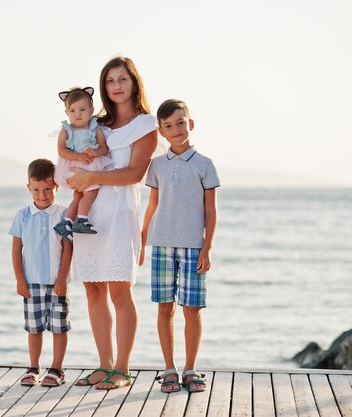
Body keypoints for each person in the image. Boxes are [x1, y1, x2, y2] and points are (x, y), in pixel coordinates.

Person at [67, 56, 158, 390]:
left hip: (119, 211)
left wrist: (93, 174)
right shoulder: (96, 125)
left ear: (133, 82)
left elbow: (135, 173)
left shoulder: (147, 125)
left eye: (122, 79)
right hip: (89, 212)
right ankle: (103, 365)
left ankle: (122, 368)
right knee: (93, 289)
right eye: (110, 81)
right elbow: (70, 151)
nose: (116, 86)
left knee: (120, 290)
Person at [139, 99, 219, 393]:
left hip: (192, 248)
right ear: (161, 131)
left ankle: (190, 368)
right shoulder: (157, 165)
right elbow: (152, 205)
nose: (175, 130)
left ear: (191, 124)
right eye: (168, 126)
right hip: (161, 245)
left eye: (180, 123)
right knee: (164, 308)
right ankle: (169, 368)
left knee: (192, 309)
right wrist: (143, 237)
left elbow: (211, 211)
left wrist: (207, 247)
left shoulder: (204, 165)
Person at [9, 158, 73, 387]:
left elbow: (68, 248)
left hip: (57, 282)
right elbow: (17, 249)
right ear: (29, 187)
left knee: (59, 326)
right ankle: (33, 367)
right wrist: (20, 279)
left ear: (56, 186)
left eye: (47, 189)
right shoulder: (23, 215)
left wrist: (62, 278)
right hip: (31, 282)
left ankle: (57, 369)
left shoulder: (64, 214)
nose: (42, 195)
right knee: (34, 328)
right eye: (36, 189)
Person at [53, 87, 112, 239]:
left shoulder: (95, 128)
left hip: (90, 163)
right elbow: (61, 150)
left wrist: (96, 152)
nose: (77, 114)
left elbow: (104, 147)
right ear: (67, 113)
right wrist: (77, 157)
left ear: (91, 110)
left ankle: (66, 222)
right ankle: (82, 219)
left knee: (78, 197)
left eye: (82, 109)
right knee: (90, 193)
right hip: (73, 166)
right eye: (72, 110)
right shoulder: (66, 130)